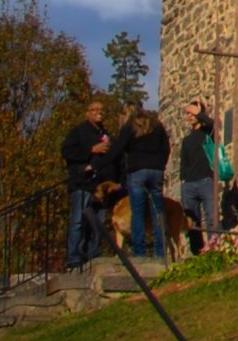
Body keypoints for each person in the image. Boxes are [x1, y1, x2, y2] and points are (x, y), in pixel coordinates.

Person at [60, 100, 113, 268]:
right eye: (94, 109)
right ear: (87, 113)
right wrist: (91, 150)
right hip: (82, 184)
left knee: (98, 223)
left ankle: (93, 254)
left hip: (100, 187)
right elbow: (67, 152)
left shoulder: (106, 135)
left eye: (101, 110)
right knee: (78, 222)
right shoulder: (78, 132)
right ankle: (74, 257)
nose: (99, 112)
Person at [117, 106, 171, 259]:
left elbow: (119, 147)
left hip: (137, 171)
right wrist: (161, 164)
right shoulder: (158, 126)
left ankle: (139, 252)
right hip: (156, 171)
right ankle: (160, 252)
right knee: (157, 211)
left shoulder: (130, 127)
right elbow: (166, 147)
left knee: (138, 212)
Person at [176, 102, 219, 256]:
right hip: (189, 184)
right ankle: (198, 252)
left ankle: (214, 249)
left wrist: (200, 113)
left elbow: (211, 123)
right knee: (192, 222)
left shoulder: (208, 133)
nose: (190, 116)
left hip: (206, 181)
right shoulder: (186, 140)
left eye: (193, 113)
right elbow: (184, 161)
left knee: (211, 217)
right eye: (188, 114)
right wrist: (183, 180)